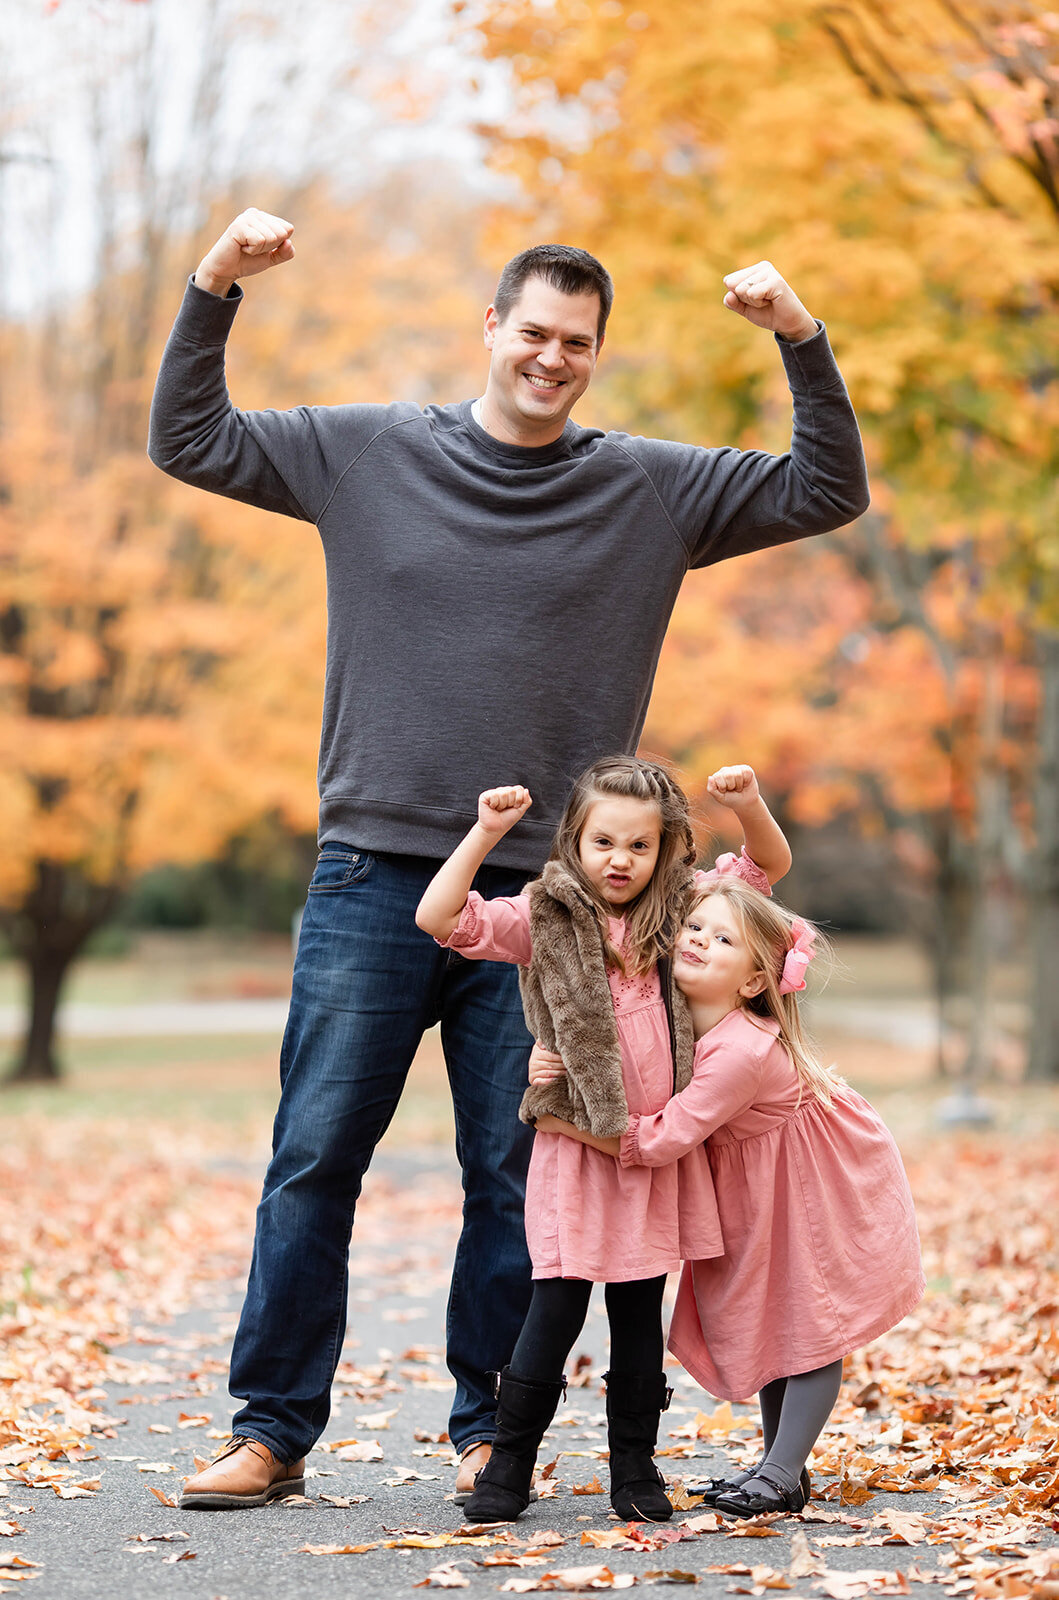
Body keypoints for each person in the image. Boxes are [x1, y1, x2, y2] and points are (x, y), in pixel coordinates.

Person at [147, 206, 870, 1511]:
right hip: (371, 872)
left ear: (596, 354)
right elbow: (189, 438)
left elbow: (825, 489)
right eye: (532, 331)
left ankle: (490, 1427)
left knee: (515, 1170)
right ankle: (271, 1429)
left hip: (558, 905)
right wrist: (214, 283)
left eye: (576, 343)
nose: (550, 358)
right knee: (314, 1156)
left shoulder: (648, 487)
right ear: (490, 326)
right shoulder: (365, 452)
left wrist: (797, 335)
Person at [415, 757, 792, 1522]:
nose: (620, 860)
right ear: (574, 841)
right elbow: (440, 918)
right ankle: (507, 1464)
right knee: (553, 1306)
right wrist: (484, 834)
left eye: (639, 846)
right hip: (580, 1152)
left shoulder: (682, 914)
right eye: (603, 842)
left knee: (636, 1312)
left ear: (664, 850)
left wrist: (749, 804)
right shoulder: (543, 916)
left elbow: (767, 866)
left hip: (656, 1155)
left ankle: (634, 1468)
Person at [533, 877, 925, 1518]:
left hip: (810, 1182)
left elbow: (661, 1139)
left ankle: (781, 1471)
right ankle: (780, 1468)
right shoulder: (674, 1017)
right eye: (694, 927)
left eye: (722, 939)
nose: (697, 940)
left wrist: (563, 1123)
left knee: (810, 1322)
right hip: (757, 1182)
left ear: (753, 982)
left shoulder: (741, 1050)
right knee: (774, 1316)